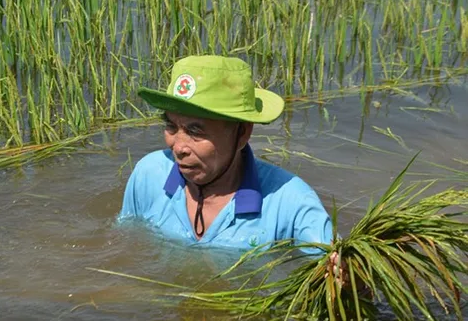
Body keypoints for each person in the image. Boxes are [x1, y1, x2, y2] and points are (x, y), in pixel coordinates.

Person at [117, 55, 334, 253]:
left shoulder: (290, 201)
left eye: (195, 131)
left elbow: (337, 273)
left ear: (242, 133)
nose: (179, 147)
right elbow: (125, 247)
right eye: (171, 126)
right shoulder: (149, 175)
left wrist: (345, 277)